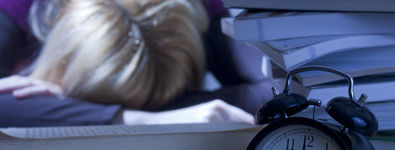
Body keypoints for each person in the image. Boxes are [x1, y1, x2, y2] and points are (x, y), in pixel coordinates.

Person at [0, 0, 274, 127]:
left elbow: (284, 87)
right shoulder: (18, 7)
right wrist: (148, 121)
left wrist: (71, 112)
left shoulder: (202, 11)